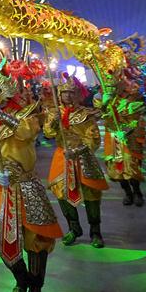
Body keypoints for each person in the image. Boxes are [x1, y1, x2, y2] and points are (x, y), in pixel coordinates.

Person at [0, 71, 61, 292]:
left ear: (7, 92)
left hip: (27, 184)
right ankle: (21, 281)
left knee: (37, 242)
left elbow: (27, 133)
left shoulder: (26, 114)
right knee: (1, 240)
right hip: (3, 188)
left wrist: (1, 115)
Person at [43, 82, 109, 248]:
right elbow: (48, 134)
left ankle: (95, 231)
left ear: (78, 95)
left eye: (72, 92)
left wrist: (79, 150)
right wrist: (53, 123)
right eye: (64, 93)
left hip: (83, 156)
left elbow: (93, 138)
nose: (68, 96)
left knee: (91, 195)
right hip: (62, 157)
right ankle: (74, 228)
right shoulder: (54, 113)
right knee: (61, 193)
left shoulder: (86, 114)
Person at [102, 80, 146, 207]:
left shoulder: (132, 100)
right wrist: (104, 104)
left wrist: (125, 131)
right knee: (119, 169)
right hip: (115, 140)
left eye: (112, 87)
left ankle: (138, 193)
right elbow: (105, 119)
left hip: (130, 139)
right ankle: (128, 194)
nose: (110, 90)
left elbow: (136, 120)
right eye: (108, 88)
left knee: (132, 169)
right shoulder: (109, 103)